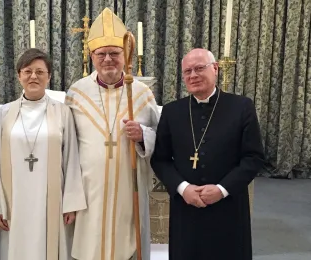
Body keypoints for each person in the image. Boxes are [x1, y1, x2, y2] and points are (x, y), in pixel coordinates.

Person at [150, 48, 265, 260]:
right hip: (186, 207)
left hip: (228, 205)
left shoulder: (241, 107)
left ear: (215, 69)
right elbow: (160, 160)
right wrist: (183, 189)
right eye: (187, 71)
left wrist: (222, 190)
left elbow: (254, 157)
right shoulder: (172, 111)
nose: (193, 75)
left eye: (199, 68)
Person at [65, 8, 160, 260]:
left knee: (126, 243)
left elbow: (159, 137)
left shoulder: (140, 93)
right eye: (101, 54)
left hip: (128, 188)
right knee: (88, 244)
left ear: (125, 54)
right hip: (87, 189)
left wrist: (142, 136)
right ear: (92, 56)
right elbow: (65, 145)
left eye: (114, 53)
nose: (108, 59)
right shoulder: (76, 93)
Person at [0, 48, 87, 260]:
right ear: (19, 75)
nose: (33, 76)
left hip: (51, 199)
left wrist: (70, 202)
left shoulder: (62, 112)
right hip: (14, 198)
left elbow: (71, 159)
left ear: (49, 77)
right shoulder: (4, 113)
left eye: (40, 72)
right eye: (28, 71)